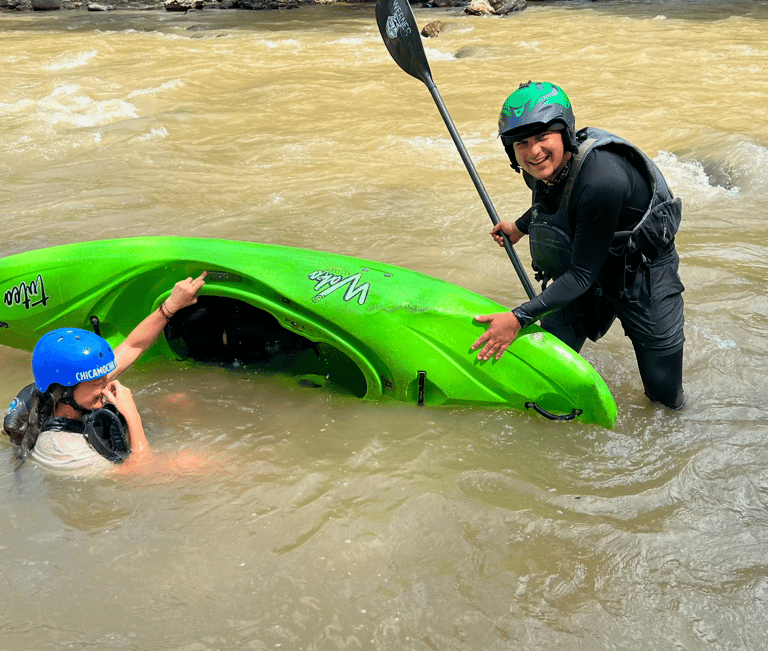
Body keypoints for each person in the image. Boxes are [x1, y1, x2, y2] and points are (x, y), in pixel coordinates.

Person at [471, 81, 685, 409]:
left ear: (565, 134)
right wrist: (519, 227)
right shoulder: (546, 167)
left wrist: (517, 317)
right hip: (588, 261)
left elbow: (581, 276)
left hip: (642, 274)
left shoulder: (603, 179)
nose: (533, 151)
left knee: (664, 399)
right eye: (522, 143)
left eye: (543, 136)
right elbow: (557, 201)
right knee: (548, 363)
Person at [3, 272, 208, 472]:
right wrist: (131, 414)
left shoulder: (78, 384)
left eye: (103, 378)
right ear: (62, 392)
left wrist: (170, 306)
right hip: (116, 469)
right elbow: (139, 473)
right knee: (191, 462)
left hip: (89, 426)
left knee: (177, 400)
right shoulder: (60, 447)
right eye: (96, 384)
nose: (106, 386)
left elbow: (133, 346)